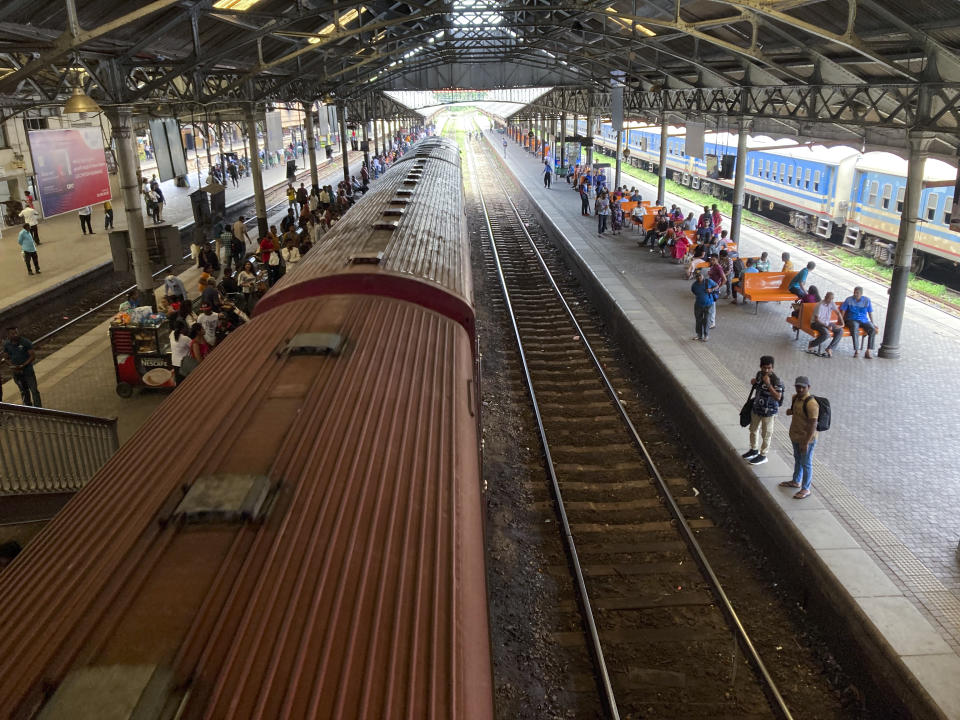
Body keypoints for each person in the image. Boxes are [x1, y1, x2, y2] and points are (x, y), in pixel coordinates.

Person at [742, 355, 784, 466]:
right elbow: (758, 387)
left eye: (769, 368)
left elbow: (778, 397)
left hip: (769, 412)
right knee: (753, 429)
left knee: (766, 434)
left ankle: (763, 455)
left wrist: (769, 384)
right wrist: (755, 382)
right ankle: (753, 449)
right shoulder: (759, 374)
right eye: (764, 368)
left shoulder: (776, 380)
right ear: (760, 367)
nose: (766, 370)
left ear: (772, 368)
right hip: (757, 409)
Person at [782, 376, 818, 499]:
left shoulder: (812, 404)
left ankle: (806, 488)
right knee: (798, 459)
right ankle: (796, 481)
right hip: (795, 435)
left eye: (803, 387)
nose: (800, 389)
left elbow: (813, 424)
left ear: (808, 387)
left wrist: (806, 442)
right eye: (798, 386)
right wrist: (790, 412)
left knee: (806, 463)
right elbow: (796, 412)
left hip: (806, 438)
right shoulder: (795, 398)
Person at [4, 327, 41, 407]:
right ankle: (28, 407)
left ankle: (38, 408)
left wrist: (23, 365)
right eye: (13, 333)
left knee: (34, 390)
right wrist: (12, 366)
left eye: (16, 332)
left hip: (28, 371)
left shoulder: (25, 342)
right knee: (23, 390)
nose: (15, 335)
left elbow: (32, 356)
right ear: (8, 335)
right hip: (17, 373)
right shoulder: (7, 344)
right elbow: (6, 358)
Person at [839, 286, 877, 359]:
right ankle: (857, 350)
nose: (855, 294)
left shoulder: (867, 300)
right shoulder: (849, 300)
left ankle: (868, 351)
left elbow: (870, 312)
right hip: (852, 319)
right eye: (854, 292)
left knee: (872, 329)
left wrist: (873, 323)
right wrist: (842, 322)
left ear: (861, 294)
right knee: (854, 328)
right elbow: (843, 311)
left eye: (857, 293)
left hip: (863, 320)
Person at [808, 291, 843, 357]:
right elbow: (817, 320)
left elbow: (838, 313)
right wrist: (827, 327)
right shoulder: (819, 305)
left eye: (832, 299)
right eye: (829, 298)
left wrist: (842, 324)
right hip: (816, 323)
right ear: (825, 297)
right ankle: (812, 344)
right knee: (826, 334)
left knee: (840, 330)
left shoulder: (832, 303)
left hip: (826, 323)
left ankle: (830, 348)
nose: (831, 300)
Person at [691, 270, 718, 342]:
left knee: (706, 320)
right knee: (698, 320)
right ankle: (699, 335)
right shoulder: (694, 285)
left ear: (703, 275)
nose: (699, 277)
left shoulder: (708, 281)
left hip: (709, 304)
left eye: (700, 275)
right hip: (698, 305)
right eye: (697, 276)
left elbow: (717, 286)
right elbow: (694, 292)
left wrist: (711, 289)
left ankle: (706, 335)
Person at [706, 256, 726, 329]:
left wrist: (718, 287)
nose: (712, 261)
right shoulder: (713, 266)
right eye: (711, 260)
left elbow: (724, 279)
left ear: (717, 260)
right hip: (710, 288)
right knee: (709, 305)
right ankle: (709, 320)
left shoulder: (718, 268)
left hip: (714, 290)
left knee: (712, 306)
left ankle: (712, 322)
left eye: (714, 260)